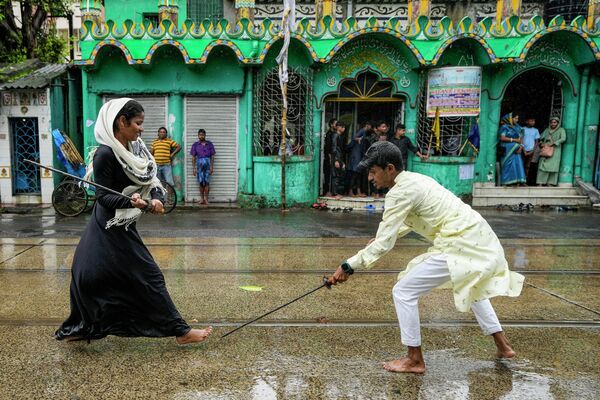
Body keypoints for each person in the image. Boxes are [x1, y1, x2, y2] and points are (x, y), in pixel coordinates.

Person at [327, 141, 523, 374]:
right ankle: (504, 346)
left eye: (373, 171)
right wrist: (381, 237)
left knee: (403, 291)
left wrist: (348, 266)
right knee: (472, 286)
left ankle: (414, 359)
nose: (370, 178)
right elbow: (404, 223)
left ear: (389, 168)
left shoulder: (400, 192)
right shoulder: (415, 179)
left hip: (460, 242)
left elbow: (383, 245)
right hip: (478, 236)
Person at [54, 98, 212, 344]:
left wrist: (157, 199)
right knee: (91, 277)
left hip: (124, 227)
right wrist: (131, 202)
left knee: (120, 278)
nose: (141, 128)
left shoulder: (136, 149)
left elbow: (151, 177)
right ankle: (179, 332)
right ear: (121, 121)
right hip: (106, 228)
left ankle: (84, 328)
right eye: (137, 123)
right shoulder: (105, 154)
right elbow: (103, 197)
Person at [537, 117, 566, 187]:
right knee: (542, 166)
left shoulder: (561, 130)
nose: (553, 124)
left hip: (555, 150)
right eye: (551, 122)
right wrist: (541, 144)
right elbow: (540, 139)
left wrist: (554, 143)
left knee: (553, 166)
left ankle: (550, 183)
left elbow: (563, 138)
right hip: (545, 150)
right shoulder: (547, 130)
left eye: (555, 122)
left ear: (558, 123)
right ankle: (540, 182)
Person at [498, 113, 526, 186]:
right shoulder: (505, 127)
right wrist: (514, 140)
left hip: (516, 150)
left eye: (517, 118)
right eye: (515, 118)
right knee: (508, 165)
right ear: (510, 118)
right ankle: (507, 182)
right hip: (507, 150)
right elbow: (502, 138)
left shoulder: (518, 127)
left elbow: (521, 138)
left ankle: (517, 181)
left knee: (517, 164)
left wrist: (521, 146)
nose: (517, 120)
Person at [191, 129, 216, 205]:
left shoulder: (210, 144)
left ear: (205, 135)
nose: (201, 136)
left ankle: (206, 199)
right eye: (200, 135)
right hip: (199, 165)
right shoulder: (195, 145)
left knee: (207, 182)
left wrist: (212, 167)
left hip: (208, 164)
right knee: (201, 183)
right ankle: (202, 199)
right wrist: (194, 169)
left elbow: (212, 156)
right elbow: (193, 157)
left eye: (203, 135)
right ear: (198, 136)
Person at [346, 121, 370, 197]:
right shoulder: (362, 131)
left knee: (358, 175)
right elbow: (354, 138)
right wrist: (357, 139)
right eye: (370, 126)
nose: (371, 128)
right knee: (355, 175)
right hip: (356, 157)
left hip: (359, 156)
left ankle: (358, 191)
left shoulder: (364, 132)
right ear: (367, 125)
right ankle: (350, 191)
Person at [330, 121, 347, 199]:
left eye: (344, 127)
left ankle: (336, 192)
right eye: (342, 127)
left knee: (339, 175)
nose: (343, 128)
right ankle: (335, 193)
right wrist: (336, 160)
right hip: (336, 158)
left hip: (339, 157)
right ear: (337, 127)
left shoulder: (339, 136)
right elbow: (334, 148)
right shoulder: (335, 136)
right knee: (335, 175)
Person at [521, 117, 540, 183]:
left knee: (528, 167)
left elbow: (536, 142)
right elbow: (520, 140)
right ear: (527, 121)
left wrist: (532, 151)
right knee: (521, 165)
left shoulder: (536, 130)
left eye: (533, 121)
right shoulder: (522, 129)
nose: (532, 122)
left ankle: (525, 181)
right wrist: (523, 150)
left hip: (531, 151)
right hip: (522, 150)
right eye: (531, 121)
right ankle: (520, 180)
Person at [323, 118, 337, 196]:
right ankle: (327, 191)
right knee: (328, 174)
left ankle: (331, 190)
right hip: (329, 157)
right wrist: (330, 157)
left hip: (332, 156)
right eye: (335, 124)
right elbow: (328, 148)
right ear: (331, 125)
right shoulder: (329, 134)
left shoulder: (334, 134)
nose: (337, 126)